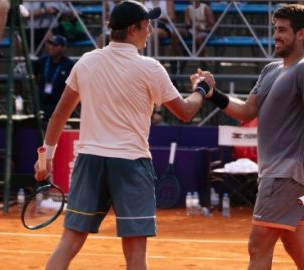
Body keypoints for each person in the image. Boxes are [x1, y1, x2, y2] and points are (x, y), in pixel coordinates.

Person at [33, 1, 214, 269]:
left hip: (90, 160)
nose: (151, 29)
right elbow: (186, 112)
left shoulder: (86, 61)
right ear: (133, 28)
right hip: (131, 162)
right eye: (147, 24)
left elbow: (58, 115)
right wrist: (201, 88)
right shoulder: (150, 68)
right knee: (135, 252)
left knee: (69, 242)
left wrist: (46, 157)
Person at [203, 4, 304, 269]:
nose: (276, 35)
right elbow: (246, 111)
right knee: (297, 246)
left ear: (301, 34)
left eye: (283, 30)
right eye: (275, 29)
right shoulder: (270, 70)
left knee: (258, 245)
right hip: (278, 174)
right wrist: (212, 94)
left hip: (285, 176)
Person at [33, 34, 74, 123]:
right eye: (50, 44)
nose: (51, 47)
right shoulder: (42, 61)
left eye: (55, 45)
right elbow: (34, 74)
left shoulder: (69, 64)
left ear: (63, 48)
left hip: (60, 104)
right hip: (43, 103)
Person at [184, 0, 215, 69]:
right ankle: (176, 58)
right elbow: (187, 24)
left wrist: (202, 29)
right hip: (191, 31)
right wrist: (189, 23)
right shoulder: (187, 9)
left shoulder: (205, 8)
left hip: (204, 31)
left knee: (197, 38)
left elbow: (212, 27)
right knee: (178, 32)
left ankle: (203, 62)